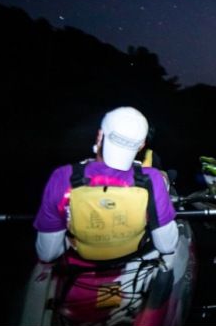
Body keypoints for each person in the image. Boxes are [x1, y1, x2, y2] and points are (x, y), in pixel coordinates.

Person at [33, 106, 179, 263]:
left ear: (100, 135)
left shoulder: (63, 178)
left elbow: (47, 254)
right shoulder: (151, 178)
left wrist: (71, 241)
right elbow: (166, 246)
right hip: (134, 260)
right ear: (141, 145)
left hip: (81, 263)